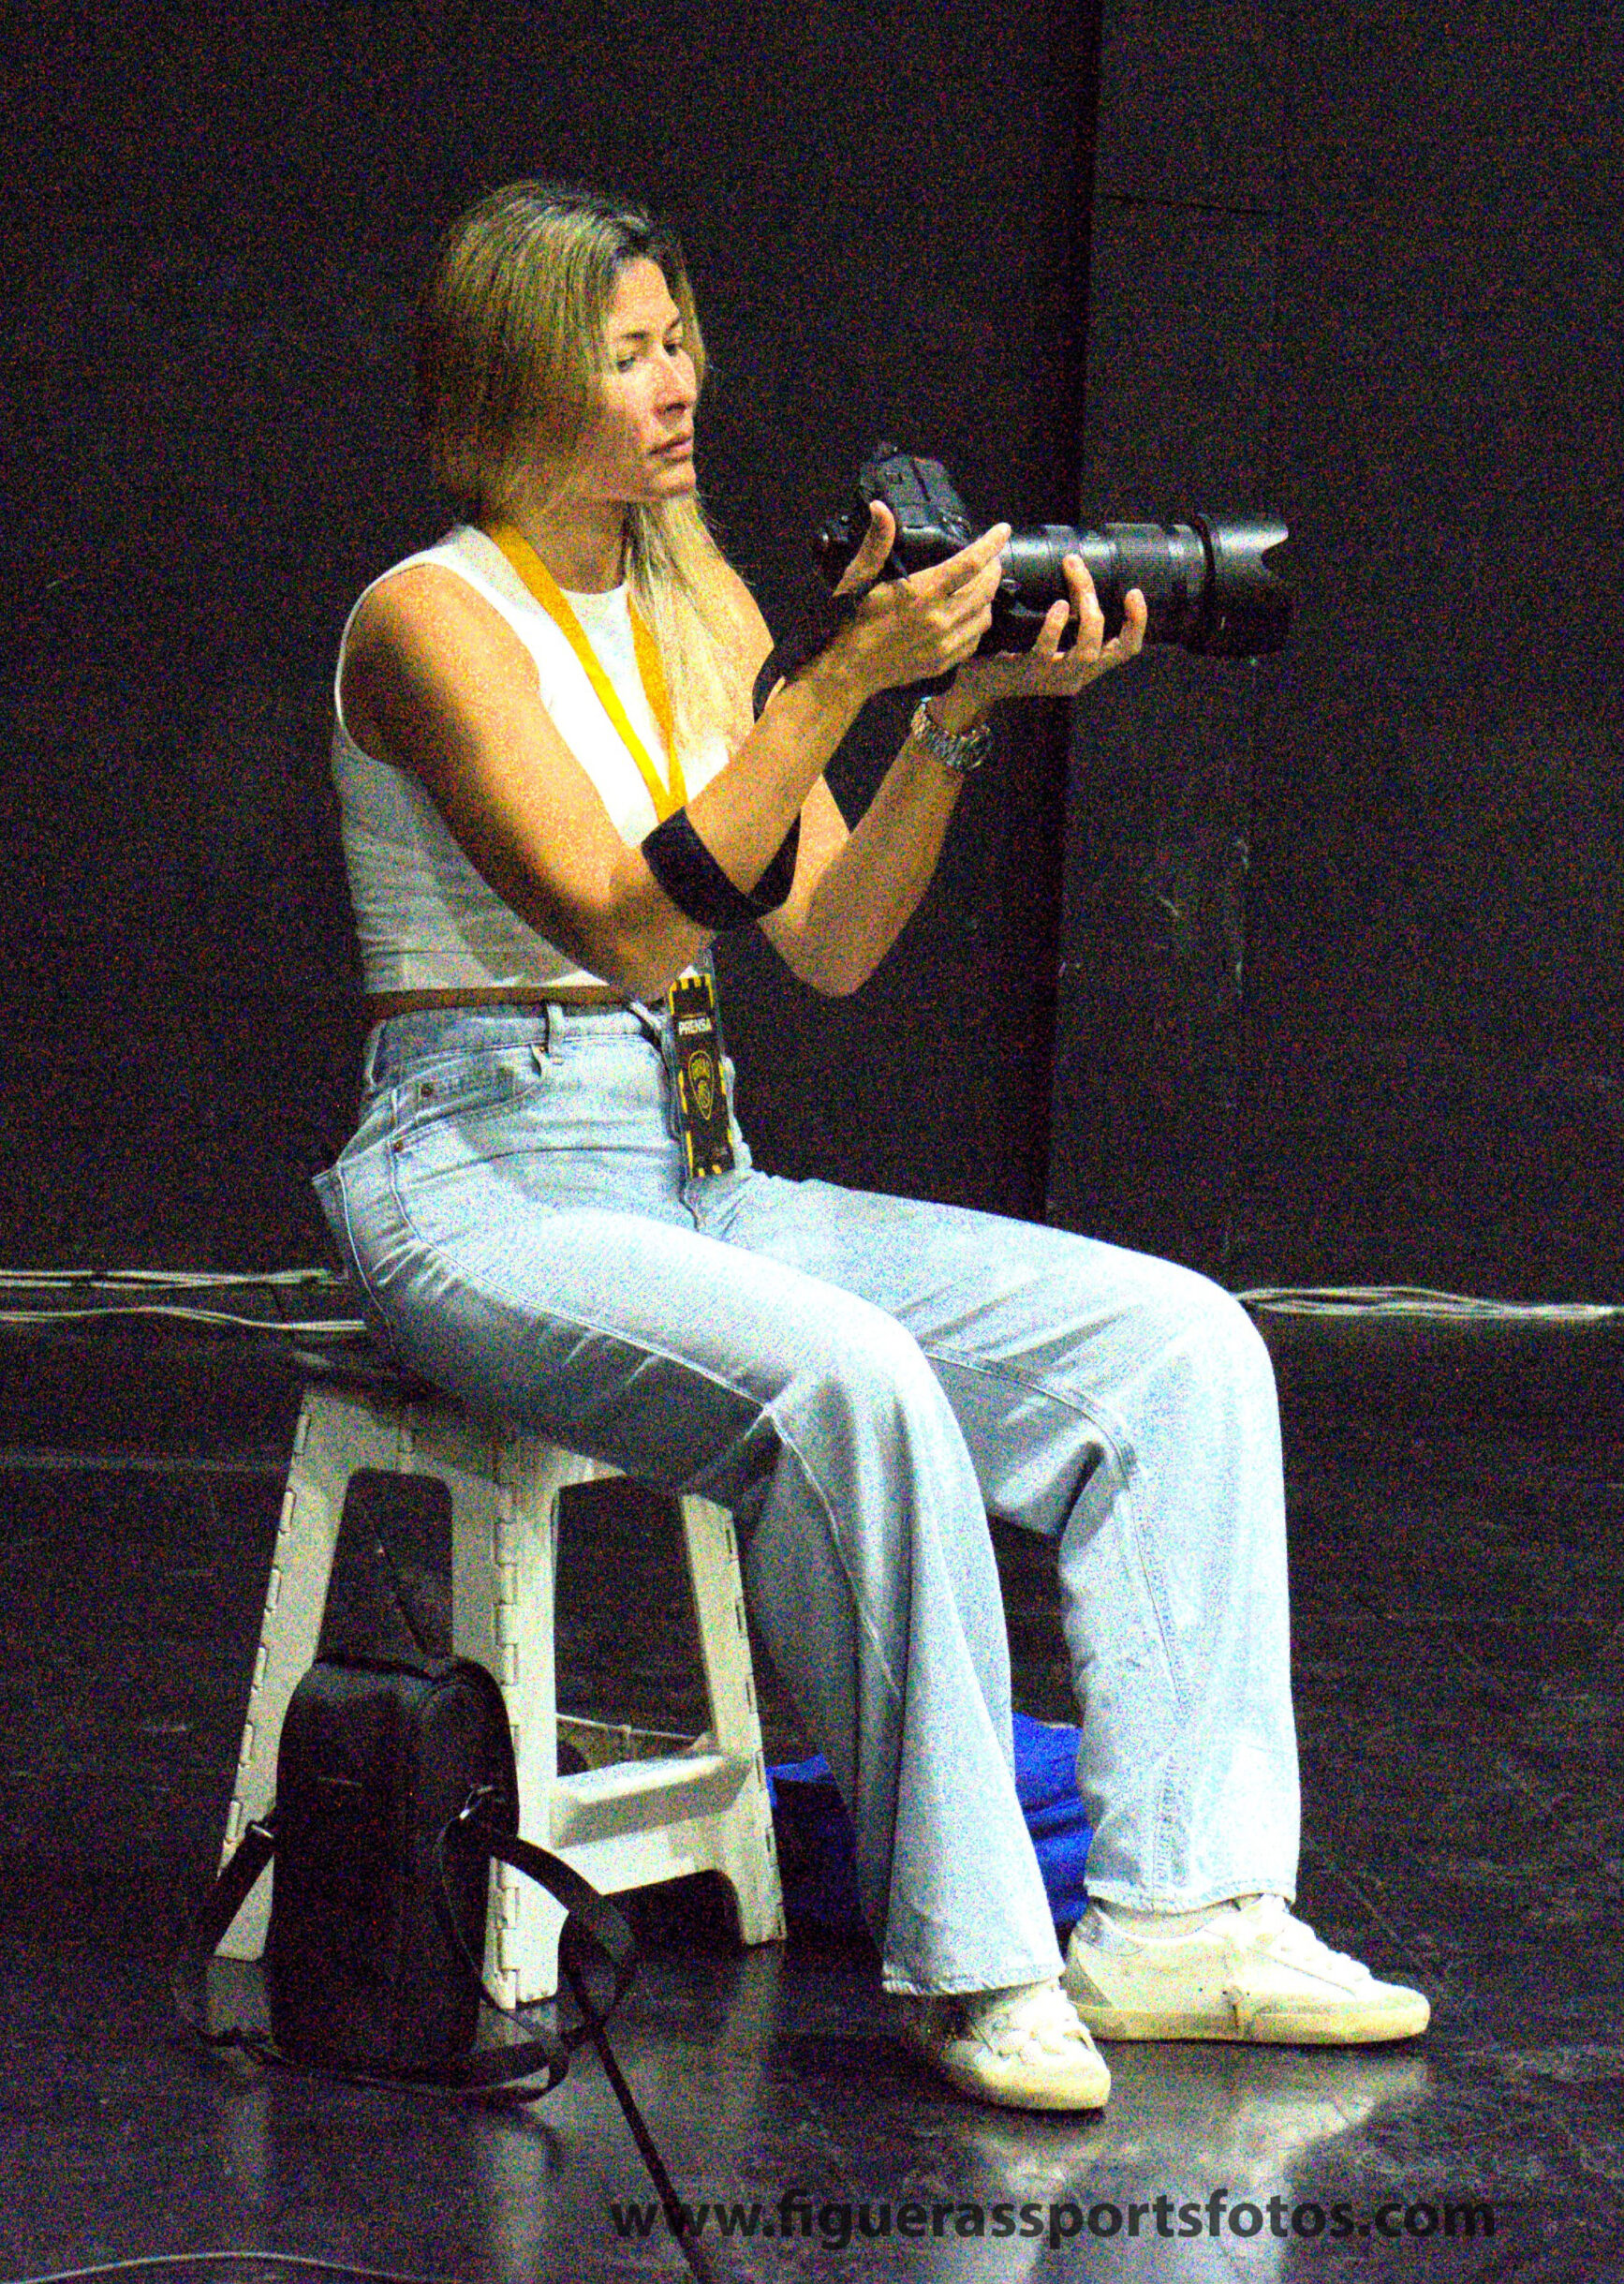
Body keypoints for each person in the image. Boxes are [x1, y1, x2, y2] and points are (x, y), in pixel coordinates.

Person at [315, 181, 1428, 2114]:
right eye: (629, 352)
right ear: (518, 378)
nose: (681, 383)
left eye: (681, 339)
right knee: (851, 1374)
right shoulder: (428, 618)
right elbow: (625, 925)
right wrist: (837, 680)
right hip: (477, 1185)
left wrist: (955, 717)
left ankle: (1185, 1916)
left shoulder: (702, 607)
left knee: (1178, 1344)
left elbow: (825, 939)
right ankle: (972, 1959)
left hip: (694, 1170)